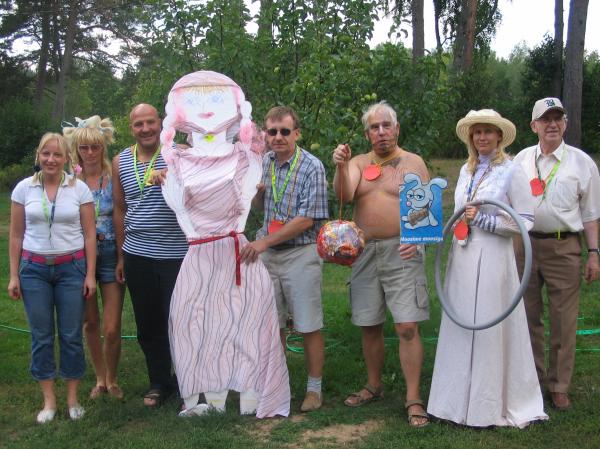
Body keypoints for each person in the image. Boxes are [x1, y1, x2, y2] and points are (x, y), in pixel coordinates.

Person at [160, 71, 290, 418]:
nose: (206, 108)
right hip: (199, 254)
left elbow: (246, 203)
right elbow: (180, 210)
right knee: (193, 323)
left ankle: (250, 391)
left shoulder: (247, 158)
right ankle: (204, 393)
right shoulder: (175, 161)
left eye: (217, 100)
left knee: (245, 321)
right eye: (196, 101)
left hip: (237, 253)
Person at [427, 109, 547, 427]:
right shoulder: (466, 170)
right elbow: (459, 212)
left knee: (489, 327)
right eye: (477, 132)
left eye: (488, 132)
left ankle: (487, 406)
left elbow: (525, 219)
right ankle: (453, 404)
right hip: (463, 257)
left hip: (494, 256)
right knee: (461, 324)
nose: (482, 137)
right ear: (471, 137)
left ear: (499, 136)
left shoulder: (511, 170)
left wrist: (483, 220)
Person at [332, 101, 430, 427]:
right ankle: (374, 385)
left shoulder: (414, 162)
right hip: (363, 251)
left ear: (397, 129)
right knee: (369, 323)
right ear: (367, 134)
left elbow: (427, 208)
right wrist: (340, 166)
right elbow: (344, 195)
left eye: (387, 125)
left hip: (402, 250)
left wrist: (417, 238)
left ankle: (413, 398)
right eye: (375, 127)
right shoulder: (359, 162)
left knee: (407, 325)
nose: (381, 132)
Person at [240, 106, 329, 412]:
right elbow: (260, 208)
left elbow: (307, 219)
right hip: (268, 255)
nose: (278, 137)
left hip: (300, 253)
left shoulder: (312, 166)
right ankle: (276, 385)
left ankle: (314, 389)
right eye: (272, 131)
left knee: (308, 324)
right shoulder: (262, 162)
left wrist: (263, 241)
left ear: (297, 133)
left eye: (284, 131)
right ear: (265, 134)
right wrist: (258, 195)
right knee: (270, 324)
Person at [513, 97, 600, 410]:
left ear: (565, 123)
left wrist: (593, 252)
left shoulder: (582, 163)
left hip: (564, 247)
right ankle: (533, 380)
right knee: (527, 315)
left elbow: (591, 214)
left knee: (564, 318)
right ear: (533, 126)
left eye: (557, 119)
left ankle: (559, 385)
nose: (552, 124)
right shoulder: (520, 160)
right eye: (545, 119)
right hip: (524, 245)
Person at [8, 133, 96, 423]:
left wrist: (90, 275)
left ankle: (72, 398)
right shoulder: (24, 189)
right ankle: (49, 400)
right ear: (38, 155)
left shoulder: (79, 189)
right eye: (46, 153)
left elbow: (89, 234)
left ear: (67, 158)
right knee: (41, 336)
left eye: (58, 154)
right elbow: (16, 235)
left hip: (71, 268)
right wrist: (13, 275)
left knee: (71, 335)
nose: (51, 159)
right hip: (34, 271)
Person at [112, 104, 188, 407]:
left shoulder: (179, 153)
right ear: (131, 128)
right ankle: (159, 382)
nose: (145, 129)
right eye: (138, 124)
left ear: (161, 123)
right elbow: (120, 209)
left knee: (180, 321)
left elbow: (199, 191)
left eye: (150, 122)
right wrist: (121, 256)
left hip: (177, 253)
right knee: (148, 323)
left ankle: (187, 382)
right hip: (137, 254)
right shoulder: (120, 161)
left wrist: (176, 177)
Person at [63, 116, 126, 400]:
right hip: (79, 257)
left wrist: (122, 256)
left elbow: (120, 214)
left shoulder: (113, 178)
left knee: (111, 327)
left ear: (103, 147)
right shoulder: (69, 182)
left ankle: (112, 378)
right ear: (76, 149)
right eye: (84, 147)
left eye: (95, 147)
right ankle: (100, 378)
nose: (90, 153)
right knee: (90, 322)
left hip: (110, 254)